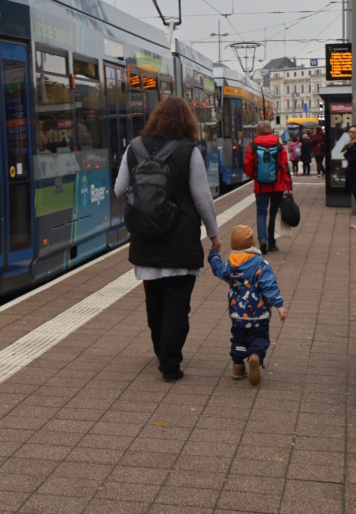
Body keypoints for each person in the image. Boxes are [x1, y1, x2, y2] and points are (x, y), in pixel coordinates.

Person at [113, 97, 221, 383]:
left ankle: (162, 353)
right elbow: (202, 197)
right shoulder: (189, 151)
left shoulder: (133, 148)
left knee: (156, 303)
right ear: (187, 122)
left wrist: (144, 206)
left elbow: (119, 189)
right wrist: (213, 234)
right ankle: (170, 366)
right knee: (177, 305)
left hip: (146, 239)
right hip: (180, 240)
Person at [208, 224, 287, 386]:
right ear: (252, 244)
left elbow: (218, 268)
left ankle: (237, 367)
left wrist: (213, 255)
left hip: (237, 314)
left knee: (238, 339)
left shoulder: (231, 265)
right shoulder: (260, 264)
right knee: (259, 338)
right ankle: (255, 356)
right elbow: (269, 285)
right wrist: (279, 305)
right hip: (259, 315)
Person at [244, 121, 293, 254]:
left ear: (258, 131)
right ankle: (271, 243)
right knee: (273, 213)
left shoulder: (253, 145)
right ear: (270, 130)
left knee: (261, 212)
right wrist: (289, 185)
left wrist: (255, 176)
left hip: (260, 186)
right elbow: (284, 166)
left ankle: (262, 240)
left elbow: (247, 165)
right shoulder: (278, 144)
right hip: (277, 185)